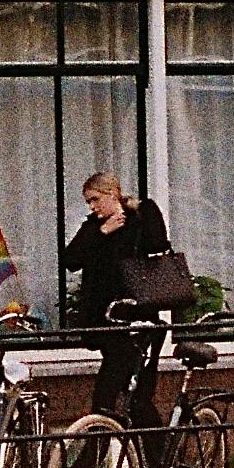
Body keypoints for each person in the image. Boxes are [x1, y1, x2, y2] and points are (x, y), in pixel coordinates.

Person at [64, 171, 169, 430]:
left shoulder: (142, 215)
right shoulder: (93, 227)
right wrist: (102, 232)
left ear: (112, 194)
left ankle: (91, 463)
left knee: (115, 397)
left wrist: (137, 216)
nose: (92, 206)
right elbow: (70, 260)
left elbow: (158, 246)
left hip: (139, 322)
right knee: (132, 399)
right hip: (108, 323)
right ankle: (158, 463)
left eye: (95, 199)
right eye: (88, 201)